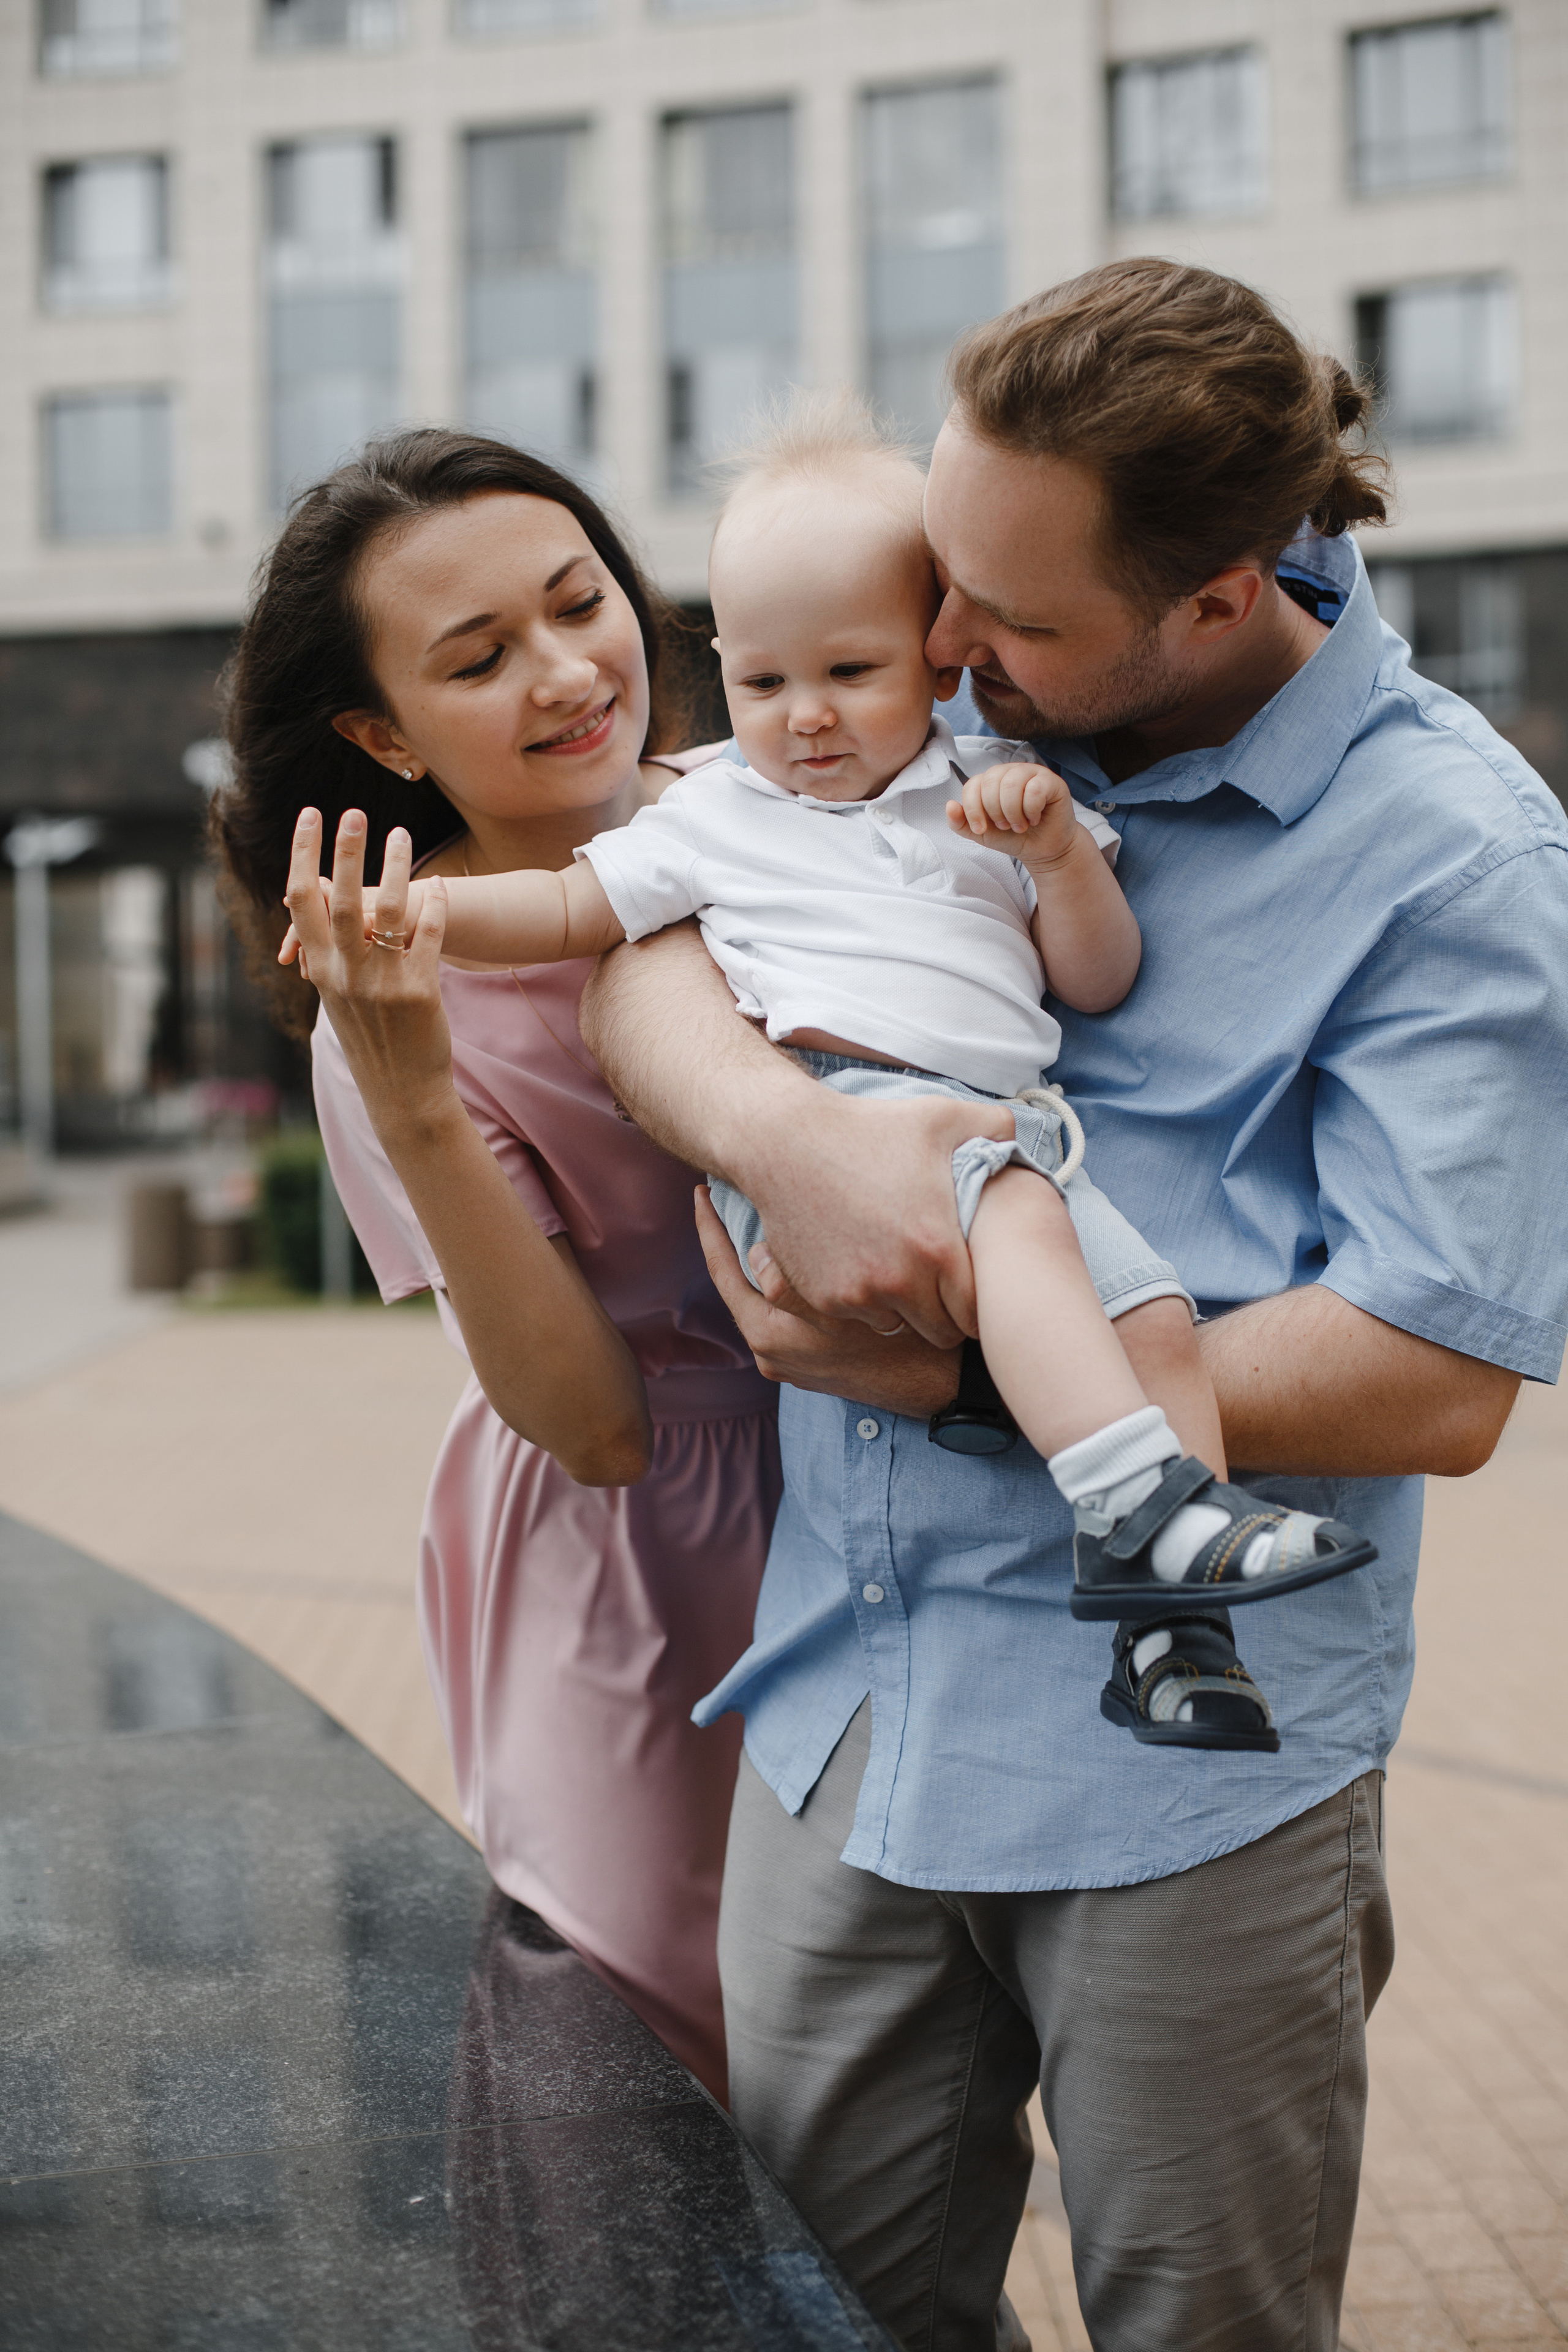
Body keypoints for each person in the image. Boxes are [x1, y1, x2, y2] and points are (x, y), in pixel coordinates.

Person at [573, 261, 1568, 2348]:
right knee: (814, 2321)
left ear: (1215, 597)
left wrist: (949, 1368)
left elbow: (1438, 1372)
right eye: (943, 583)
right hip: (846, 1708)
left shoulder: (1461, 858)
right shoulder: (951, 672)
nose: (938, 654)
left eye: (1003, 623)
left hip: (1187, 1775)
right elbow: (654, 907)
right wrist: (785, 1132)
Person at [314, 396, 1378, 1755]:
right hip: (864, 1116)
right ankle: (1131, 1502)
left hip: (1005, 1134)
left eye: (849, 673)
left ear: (935, 658)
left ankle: (1171, 1633)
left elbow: (1095, 974)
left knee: (1156, 1318)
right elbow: (575, 909)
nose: (804, 718)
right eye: (761, 684)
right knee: (1040, 1254)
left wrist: (1054, 858)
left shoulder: (990, 785)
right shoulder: (713, 812)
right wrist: (423, 921)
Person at [214, 429, 783, 2102]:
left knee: (893, 2087)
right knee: (660, 2045)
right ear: (382, 735)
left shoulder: (773, 815)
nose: (567, 672)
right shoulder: (401, 997)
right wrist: (411, 1099)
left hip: (879, 1475)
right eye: (479, 659)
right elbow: (589, 1425)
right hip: (638, 1552)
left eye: (577, 602)